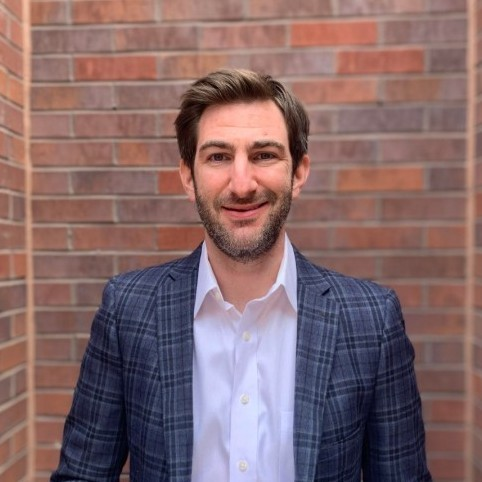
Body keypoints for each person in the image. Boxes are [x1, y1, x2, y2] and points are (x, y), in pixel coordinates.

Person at [51, 68, 431, 481]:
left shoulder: (372, 321)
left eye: (264, 155)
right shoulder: (128, 311)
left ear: (298, 173)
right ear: (188, 177)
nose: (242, 183)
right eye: (218, 156)